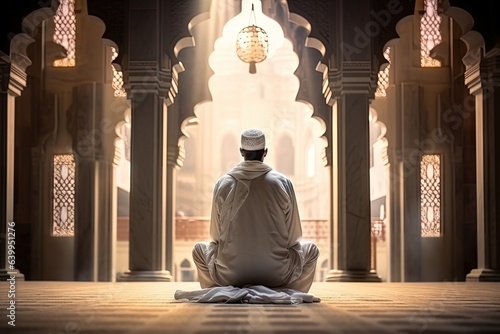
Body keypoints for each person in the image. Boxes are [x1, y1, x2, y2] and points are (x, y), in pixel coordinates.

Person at [192, 128, 319, 293]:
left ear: (241, 151)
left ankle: (223, 289)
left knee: (198, 250)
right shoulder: (283, 182)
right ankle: (284, 290)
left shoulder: (222, 183)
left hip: (230, 275)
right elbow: (294, 237)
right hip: (277, 274)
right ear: (265, 152)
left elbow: (215, 237)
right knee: (312, 250)